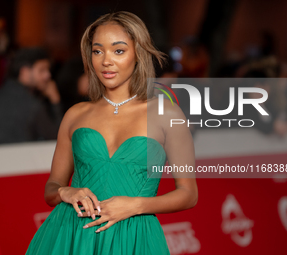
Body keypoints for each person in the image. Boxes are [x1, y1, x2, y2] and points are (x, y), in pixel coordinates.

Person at [26, 11, 198, 254]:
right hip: (71, 234)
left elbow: (189, 194)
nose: (106, 61)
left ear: (138, 53)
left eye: (118, 50)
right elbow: (51, 189)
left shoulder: (167, 115)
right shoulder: (76, 114)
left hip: (134, 238)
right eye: (98, 51)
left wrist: (134, 206)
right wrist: (66, 191)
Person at [0, 47, 63, 145]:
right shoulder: (32, 105)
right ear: (24, 72)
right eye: (42, 70)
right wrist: (55, 101)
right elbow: (57, 138)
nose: (48, 75)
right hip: (21, 159)